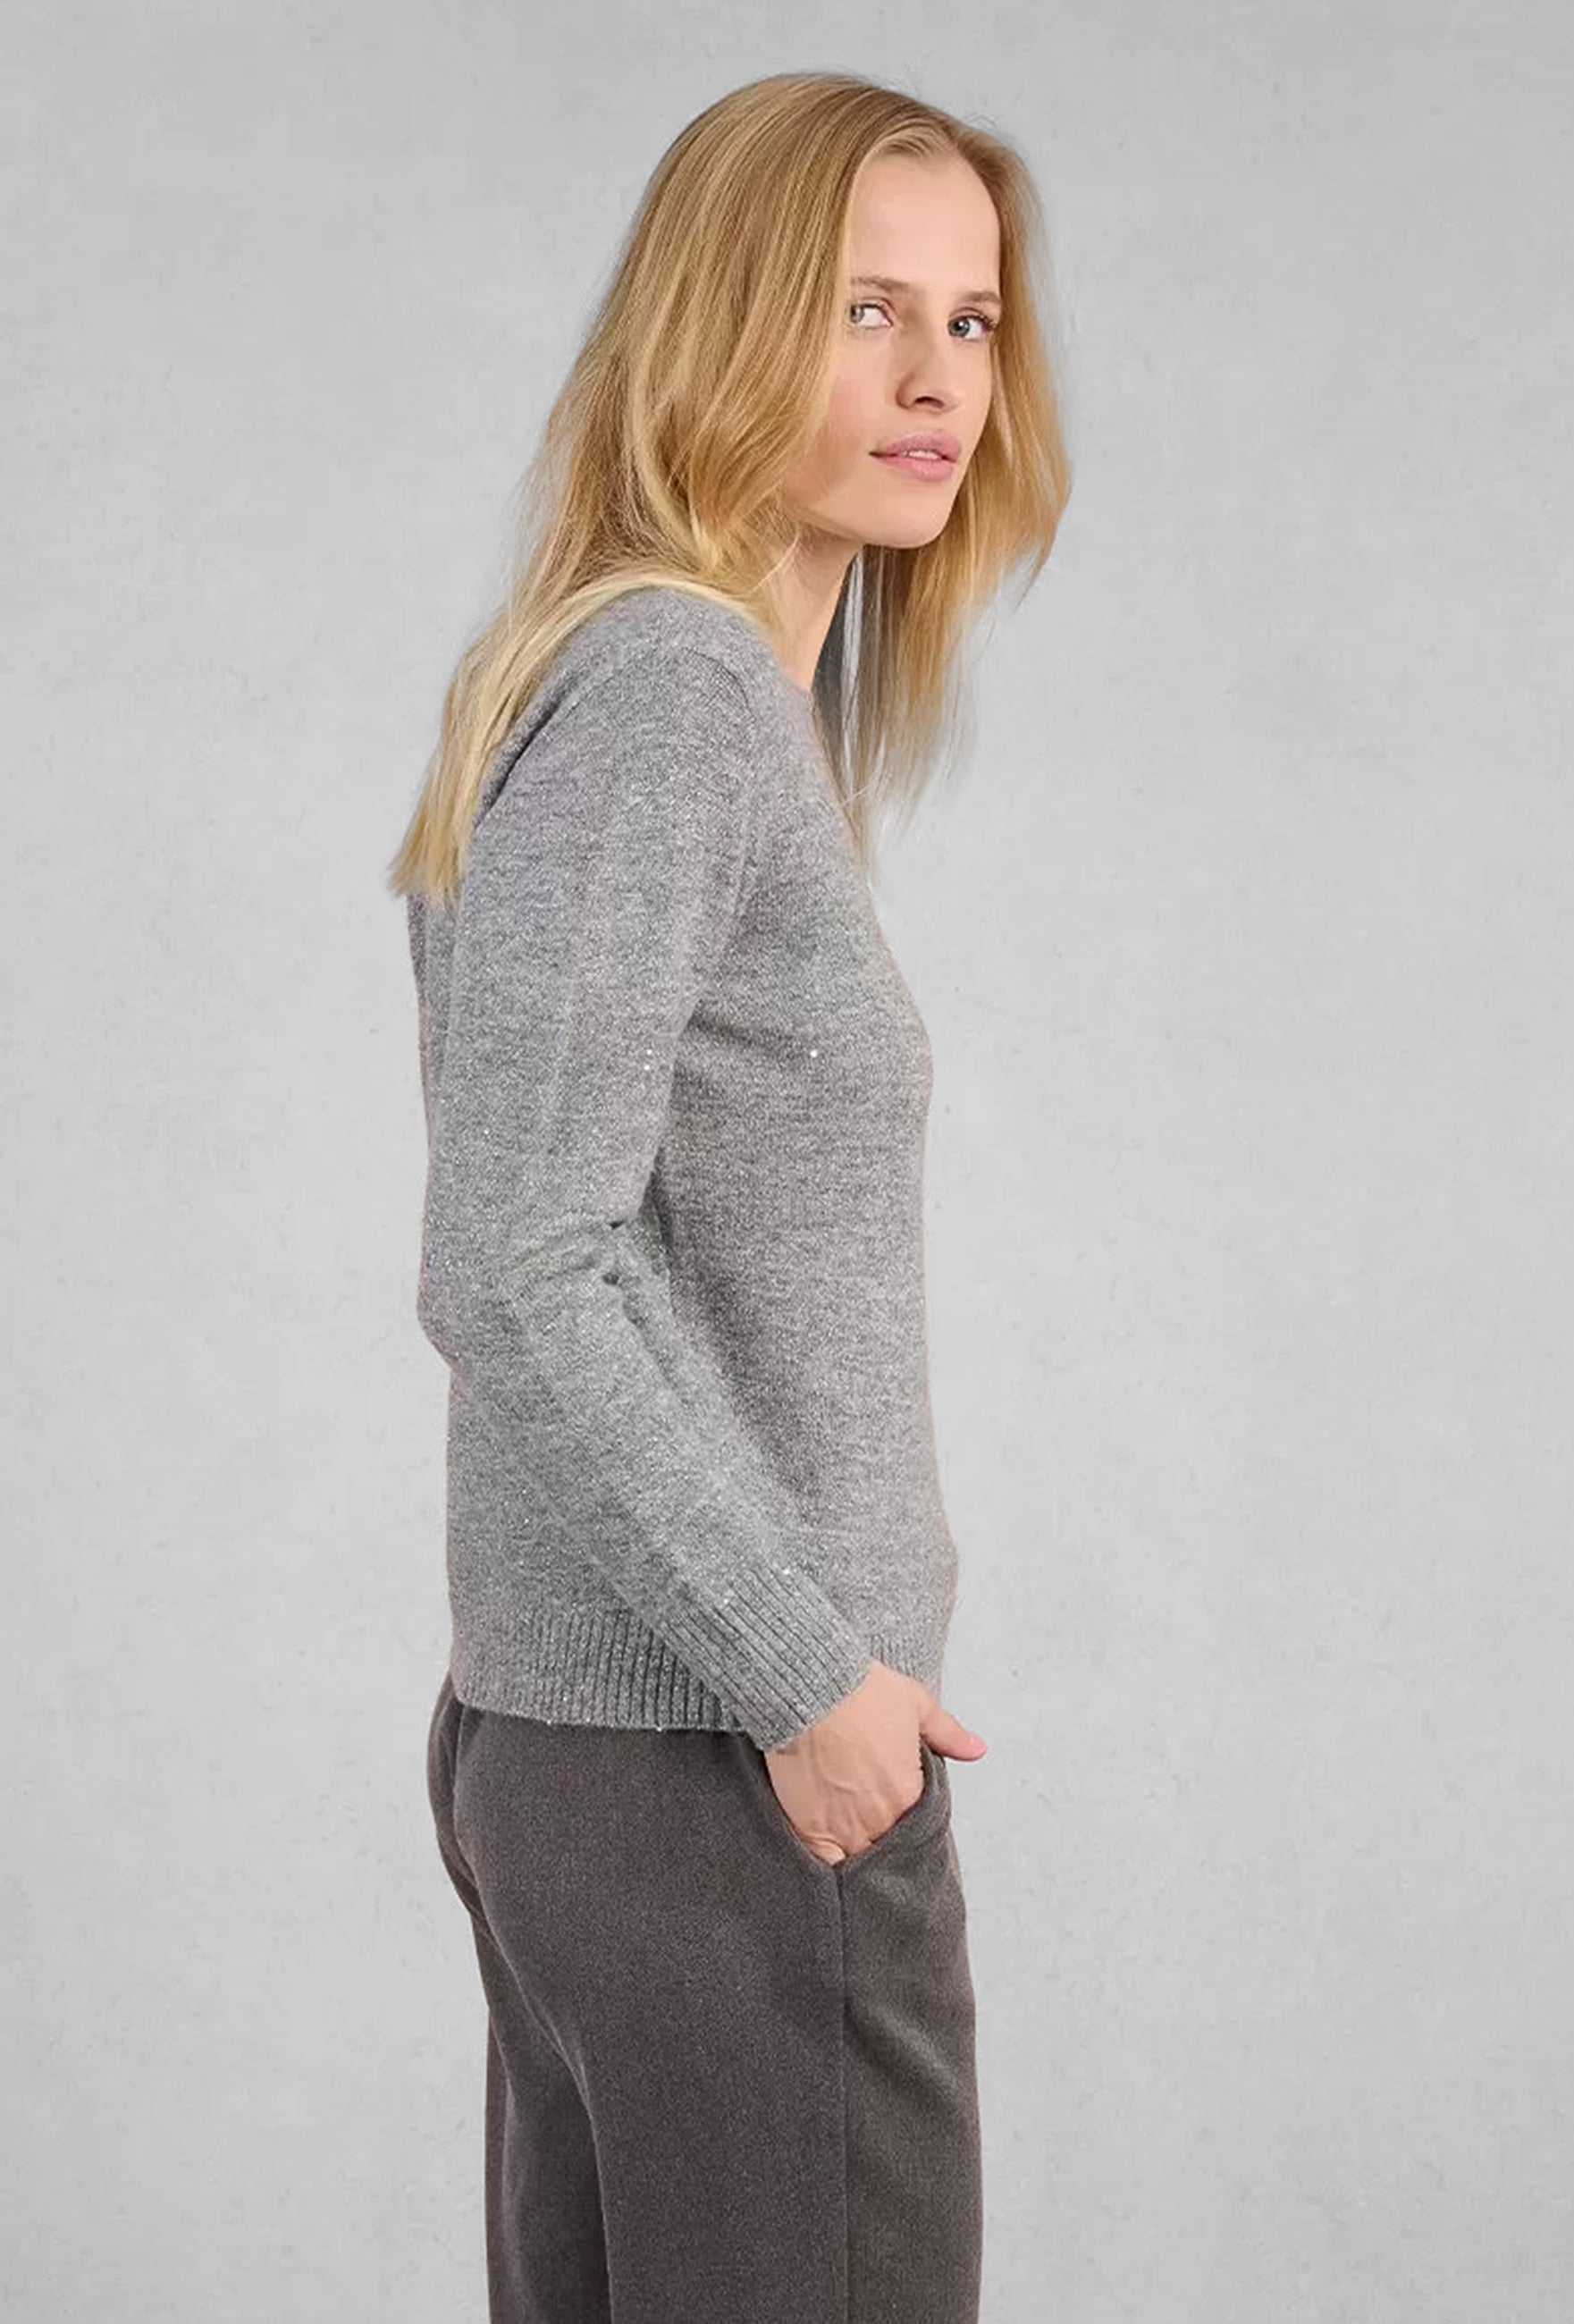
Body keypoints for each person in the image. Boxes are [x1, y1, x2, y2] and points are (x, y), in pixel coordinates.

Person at [386, 66, 1070, 2324]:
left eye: (971, 321)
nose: (937, 377)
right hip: (726, 1772)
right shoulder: (672, 692)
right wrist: (813, 1686)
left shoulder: (640, 686)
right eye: (866, 308)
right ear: (718, 322)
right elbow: (519, 1259)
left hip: (618, 1760)